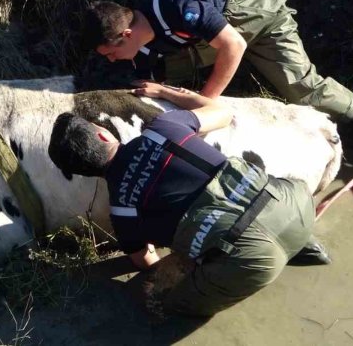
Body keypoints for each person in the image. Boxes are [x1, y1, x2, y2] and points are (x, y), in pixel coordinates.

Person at [47, 81, 324, 317]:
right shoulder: (162, 128)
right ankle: (303, 243)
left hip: (255, 262)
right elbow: (222, 113)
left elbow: (146, 262)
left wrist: (186, 262)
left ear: (84, 172)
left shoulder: (122, 211)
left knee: (158, 300)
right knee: (260, 198)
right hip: (296, 204)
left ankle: (278, 249)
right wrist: (167, 92)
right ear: (102, 132)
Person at [83, 0, 353, 153]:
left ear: (125, 35)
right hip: (217, 31)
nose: (112, 60)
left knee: (303, 90)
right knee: (161, 77)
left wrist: (206, 104)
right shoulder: (142, 36)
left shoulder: (176, 4)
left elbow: (233, 45)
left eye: (110, 54)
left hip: (261, 17)